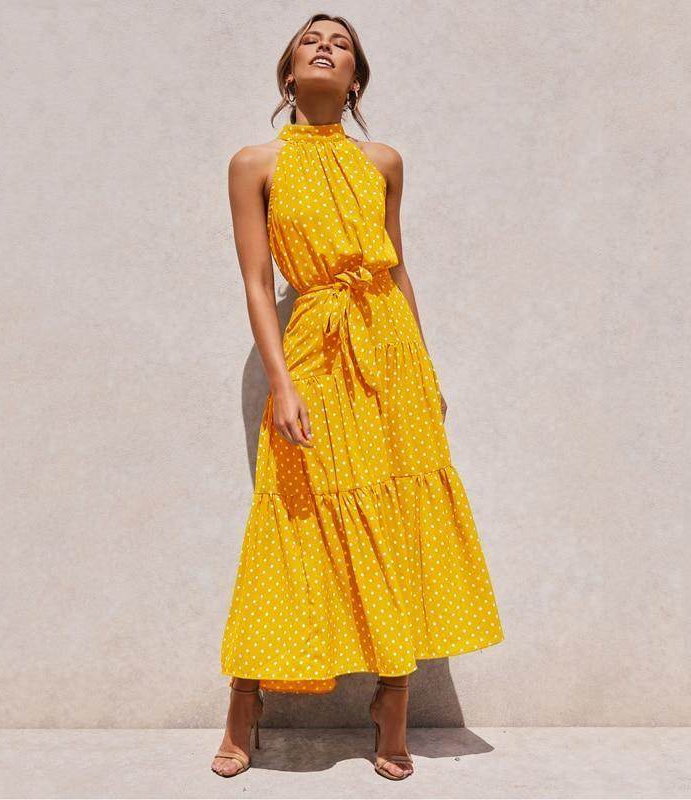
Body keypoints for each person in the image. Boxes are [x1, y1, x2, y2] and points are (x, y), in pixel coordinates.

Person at [212, 13, 505, 781]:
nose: (325, 46)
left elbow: (398, 267)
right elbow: (256, 283)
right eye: (311, 39)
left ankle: (392, 701)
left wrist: (425, 368)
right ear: (289, 72)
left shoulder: (383, 161)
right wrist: (281, 381)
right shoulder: (254, 163)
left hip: (389, 347)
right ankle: (246, 699)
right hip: (315, 343)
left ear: (355, 79)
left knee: (397, 518)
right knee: (293, 513)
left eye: (340, 43)